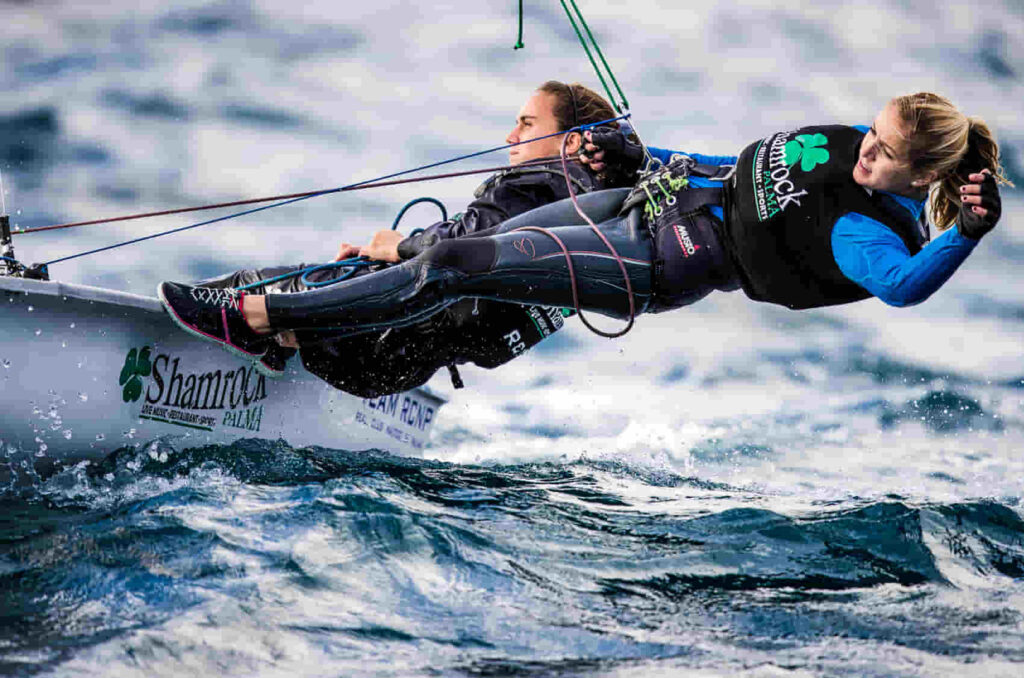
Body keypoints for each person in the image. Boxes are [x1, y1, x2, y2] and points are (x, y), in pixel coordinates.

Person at [158, 92, 1008, 373]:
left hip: (653, 263)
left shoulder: (866, 230)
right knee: (462, 248)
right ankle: (304, 327)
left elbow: (902, 288)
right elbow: (734, 167)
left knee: (455, 262)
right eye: (872, 132)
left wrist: (964, 235)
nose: (866, 151)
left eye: (885, 153)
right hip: (642, 205)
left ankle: (262, 319)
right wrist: (642, 154)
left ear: (921, 178)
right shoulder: (845, 146)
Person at [189, 81, 625, 396]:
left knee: (245, 286)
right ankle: (276, 345)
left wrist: (395, 247)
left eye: (527, 125)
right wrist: (390, 255)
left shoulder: (539, 185)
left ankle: (200, 334)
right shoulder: (596, 215)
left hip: (370, 335)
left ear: (570, 142)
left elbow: (463, 243)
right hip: (402, 367)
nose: (511, 137)